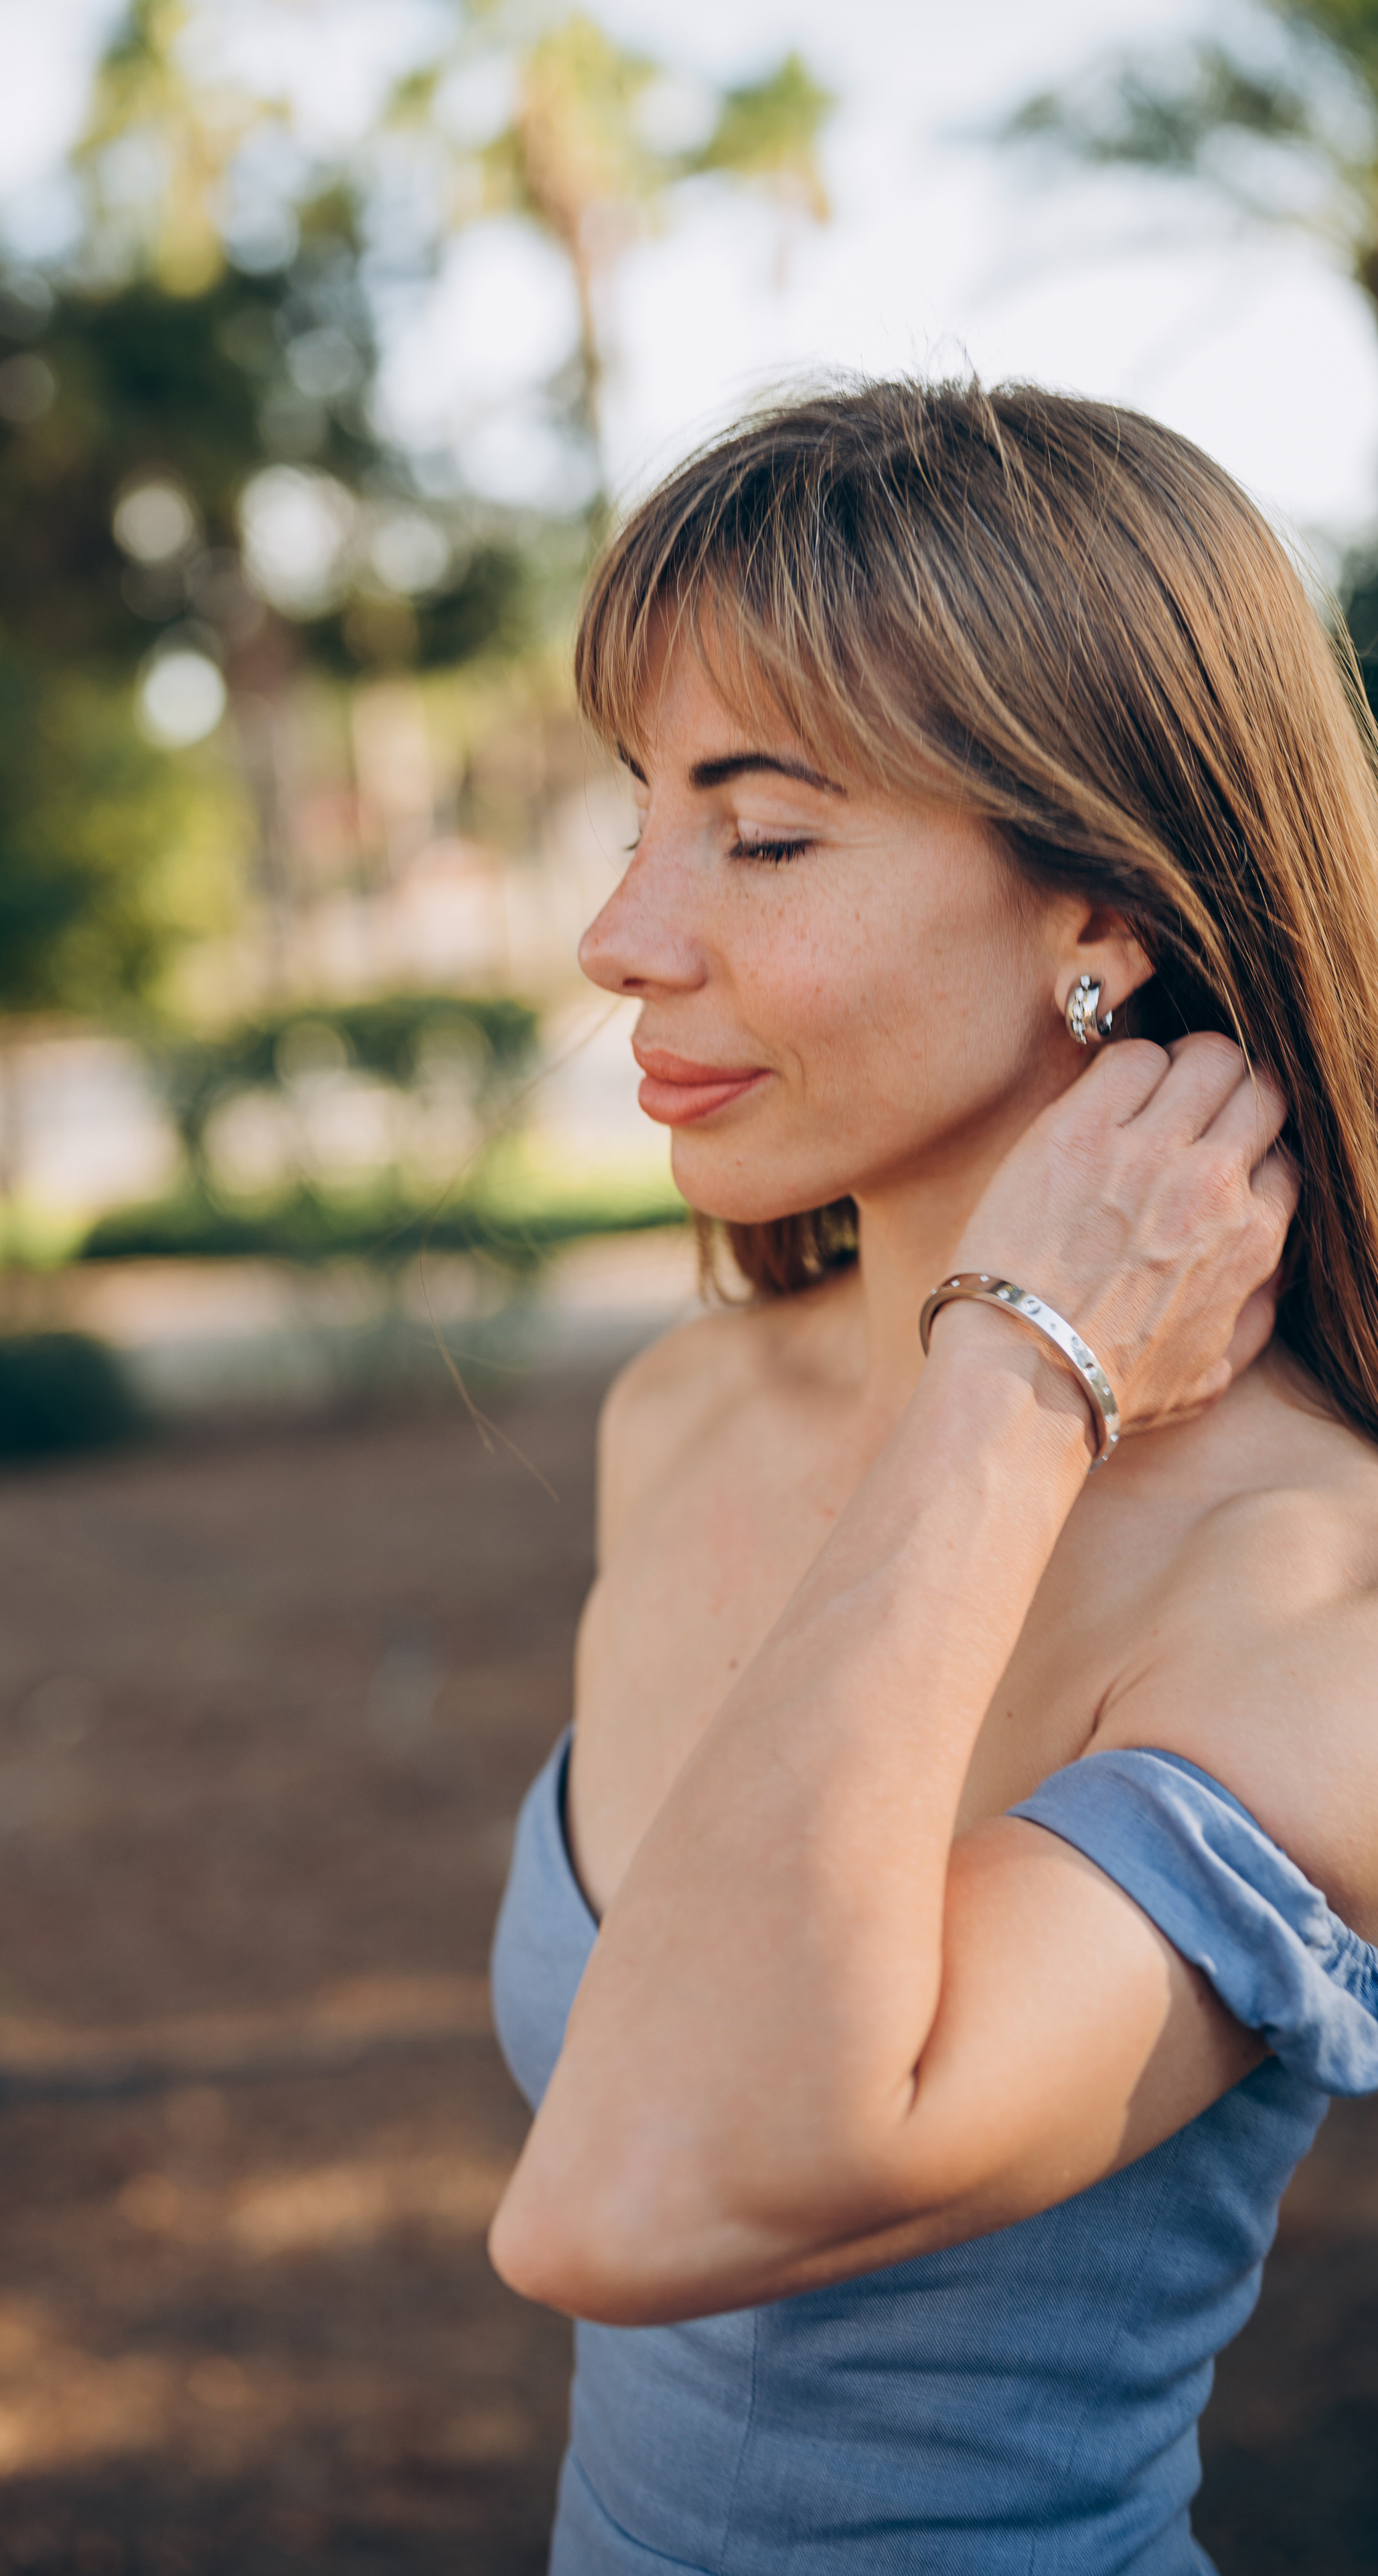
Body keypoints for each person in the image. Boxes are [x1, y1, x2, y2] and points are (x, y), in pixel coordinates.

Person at [486, 380, 1378, 2575]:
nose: (622, 937)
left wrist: (1014, 1381)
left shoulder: (1310, 1609)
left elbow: (644, 2191)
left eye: (761, 837)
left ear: (1103, 901)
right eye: (642, 814)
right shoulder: (690, 1412)